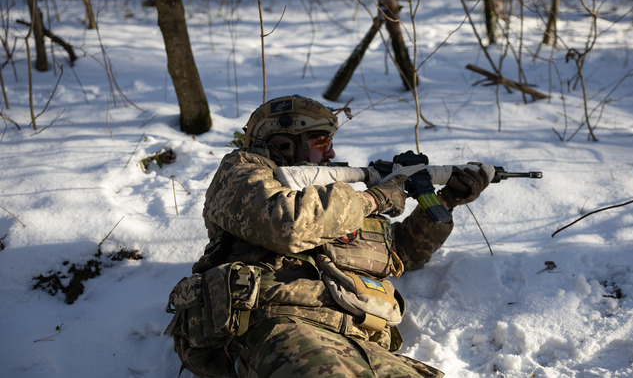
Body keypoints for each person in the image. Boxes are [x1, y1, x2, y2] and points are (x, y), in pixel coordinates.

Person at [175, 95, 493, 378]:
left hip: (360, 339)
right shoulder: (243, 172)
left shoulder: (338, 206)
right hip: (280, 326)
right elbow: (290, 224)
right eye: (321, 143)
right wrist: (374, 199)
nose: (332, 152)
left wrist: (446, 199)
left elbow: (405, 252)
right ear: (283, 142)